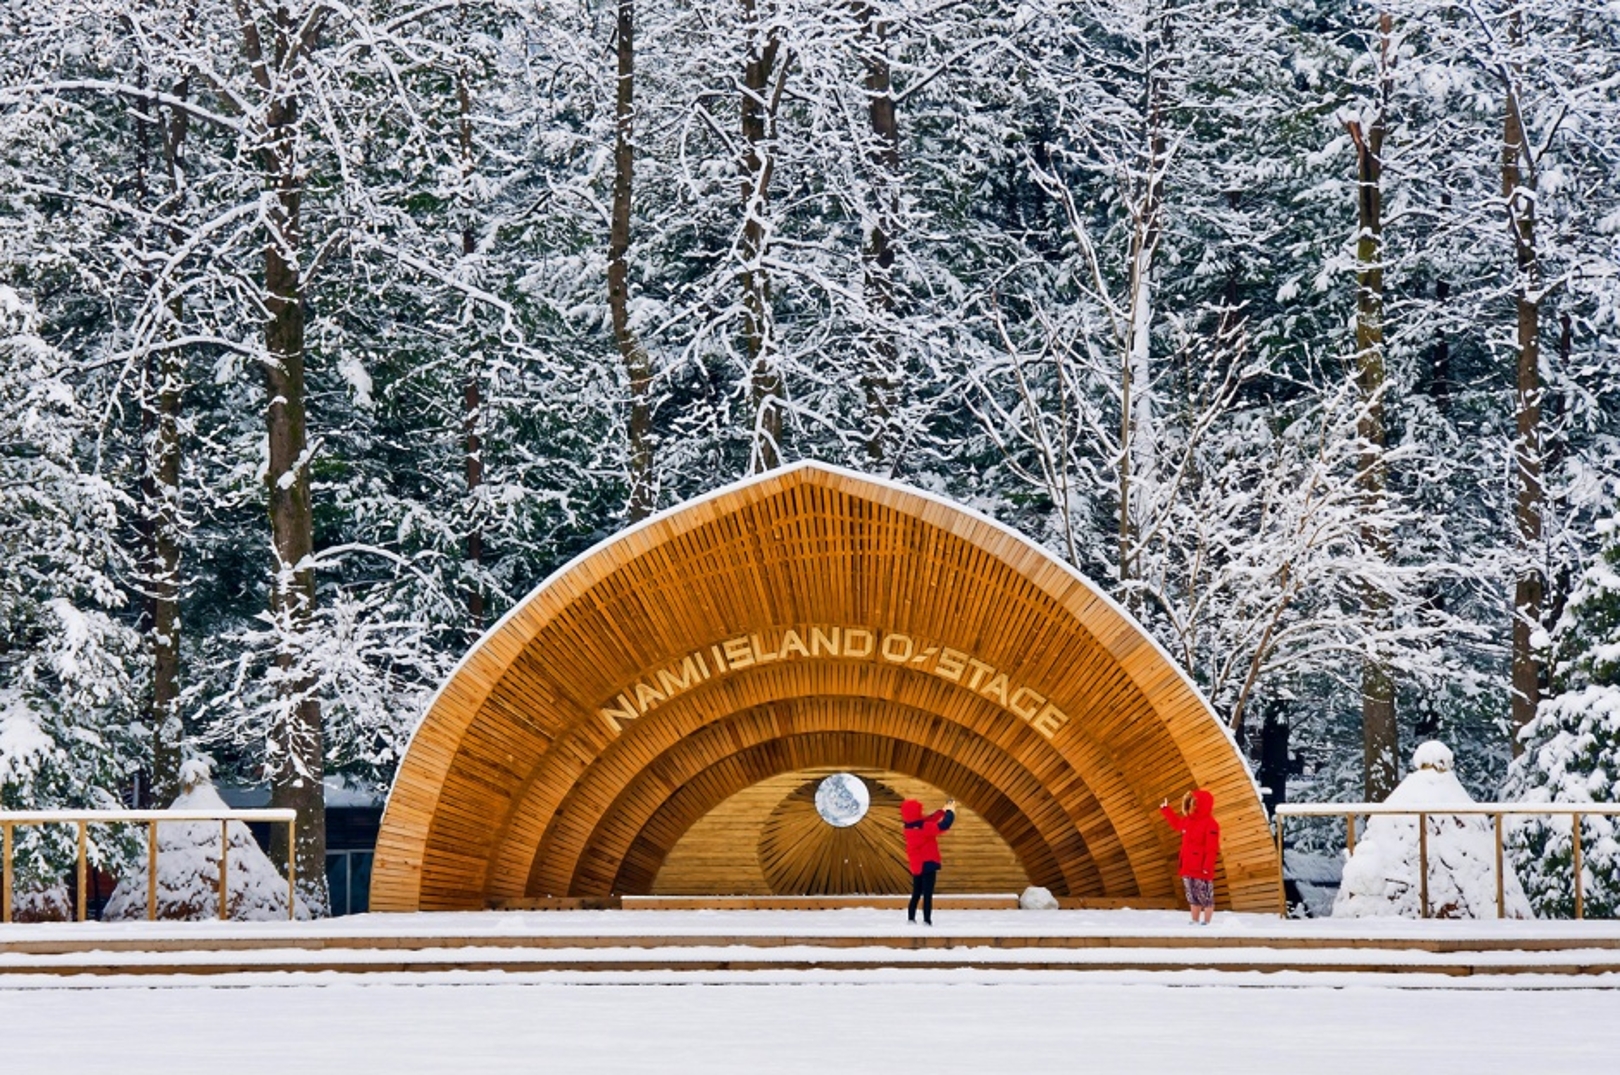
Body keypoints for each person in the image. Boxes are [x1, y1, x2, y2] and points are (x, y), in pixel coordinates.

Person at [1159, 788, 1220, 925]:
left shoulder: (1211, 824)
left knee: (1206, 896)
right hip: (1187, 865)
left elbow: (1212, 848)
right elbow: (1176, 824)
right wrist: (1166, 810)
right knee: (1192, 895)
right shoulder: (1188, 820)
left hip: (1201, 868)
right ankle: (1195, 920)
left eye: (1195, 802)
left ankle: (1207, 922)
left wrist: (1207, 866)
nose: (1192, 805)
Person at [900, 797, 955, 926]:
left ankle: (911, 918)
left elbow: (927, 820)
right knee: (927, 894)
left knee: (916, 893)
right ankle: (927, 920)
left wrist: (941, 811)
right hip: (928, 863)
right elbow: (944, 825)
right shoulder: (924, 828)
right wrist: (950, 812)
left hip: (917, 865)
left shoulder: (908, 827)